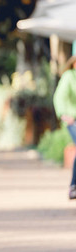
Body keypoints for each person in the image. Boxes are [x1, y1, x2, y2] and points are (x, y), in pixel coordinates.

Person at [53, 55, 76, 200]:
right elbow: (59, 97)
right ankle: (74, 185)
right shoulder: (69, 76)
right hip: (72, 120)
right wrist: (63, 114)